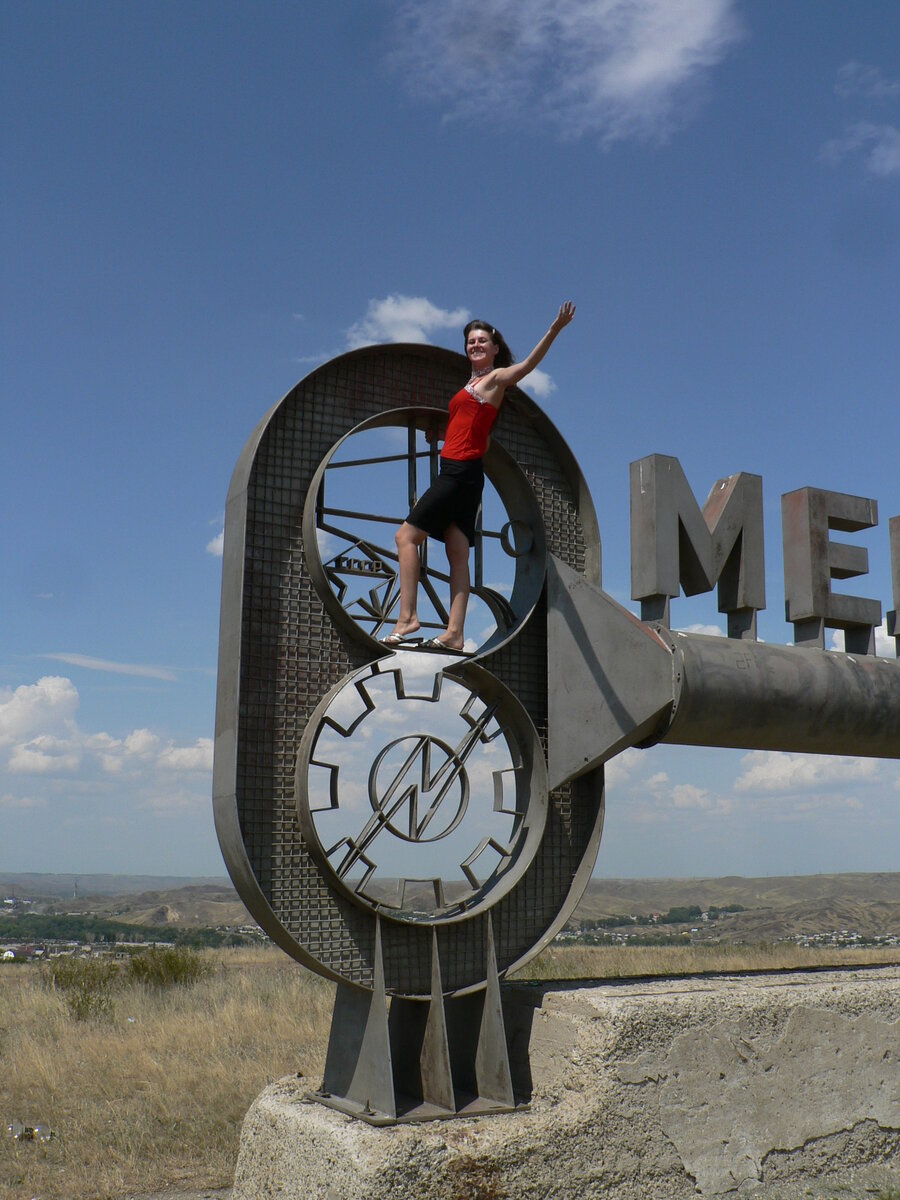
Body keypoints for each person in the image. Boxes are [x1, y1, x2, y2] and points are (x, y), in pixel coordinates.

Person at [384, 301, 576, 652]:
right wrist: (443, 436)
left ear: (495, 348)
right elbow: (479, 435)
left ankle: (407, 617)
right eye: (471, 341)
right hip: (467, 473)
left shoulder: (495, 379)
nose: (475, 345)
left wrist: (554, 329)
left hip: (458, 474)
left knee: (405, 537)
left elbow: (527, 366)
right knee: (458, 553)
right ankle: (455, 634)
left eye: (482, 341)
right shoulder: (473, 385)